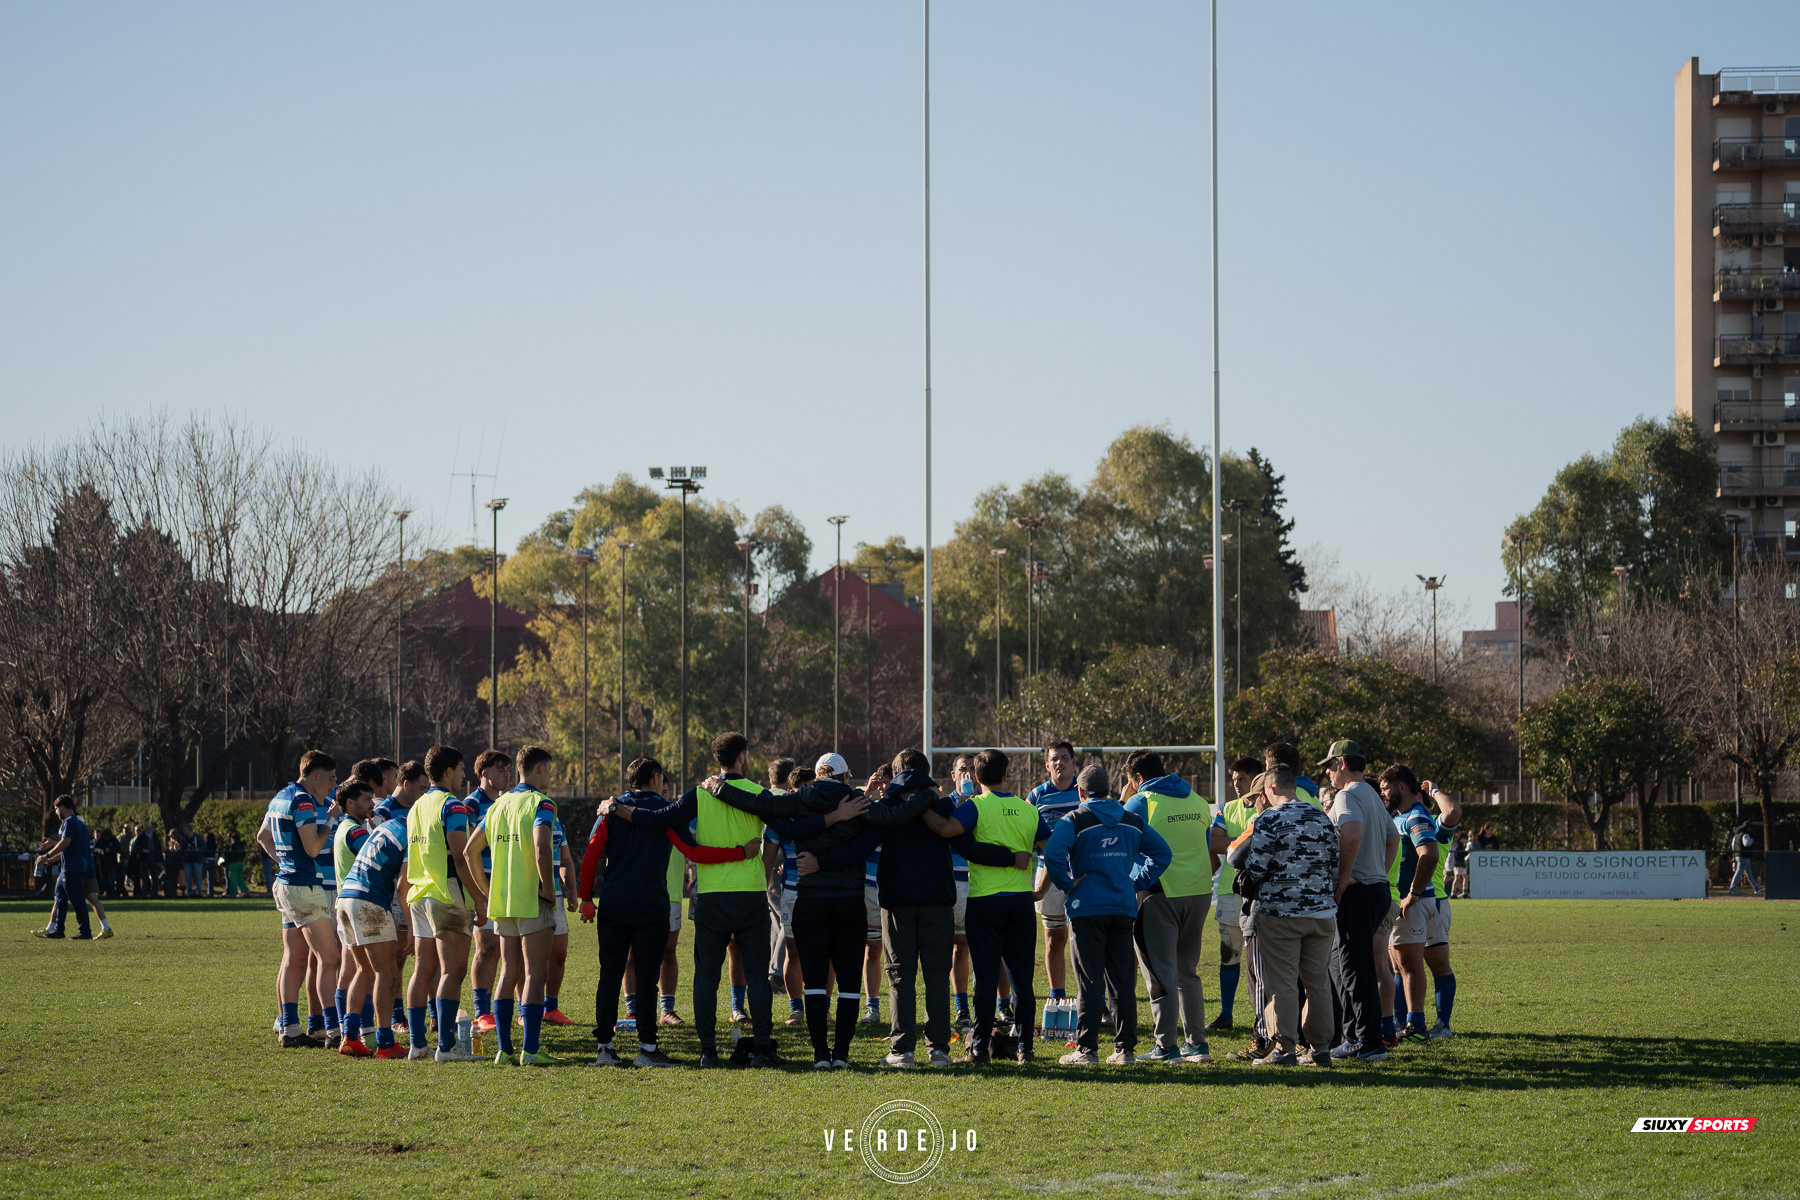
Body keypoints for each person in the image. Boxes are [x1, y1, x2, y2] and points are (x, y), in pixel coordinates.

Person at [613, 734, 858, 1068]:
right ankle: (759, 1049)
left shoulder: (700, 793)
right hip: (750, 895)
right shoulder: (758, 794)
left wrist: (617, 807)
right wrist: (834, 818)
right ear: (742, 756)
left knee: (706, 976)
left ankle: (708, 1052)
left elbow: (658, 818)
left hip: (711, 897)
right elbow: (790, 827)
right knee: (757, 975)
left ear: (718, 760)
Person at [729, 751, 934, 1069]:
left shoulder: (801, 800)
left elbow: (764, 809)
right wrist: (930, 794)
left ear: (819, 775)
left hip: (809, 902)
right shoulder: (857, 802)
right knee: (850, 984)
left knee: (813, 981)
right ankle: (840, 1054)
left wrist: (721, 789)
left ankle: (820, 1056)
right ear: (844, 776)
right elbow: (885, 826)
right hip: (848, 902)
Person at [579, 756, 761, 1067]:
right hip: (651, 907)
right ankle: (647, 1049)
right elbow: (692, 851)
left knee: (609, 976)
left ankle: (604, 1049)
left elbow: (592, 851)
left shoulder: (610, 810)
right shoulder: (664, 813)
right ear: (655, 778)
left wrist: (585, 897)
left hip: (614, 904)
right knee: (648, 977)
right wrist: (740, 852)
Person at [803, 750, 968, 1069]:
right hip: (938, 898)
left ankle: (902, 1050)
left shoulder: (885, 807)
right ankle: (939, 1050)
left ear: (895, 775)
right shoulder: (942, 802)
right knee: (936, 974)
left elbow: (862, 844)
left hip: (897, 900)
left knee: (899, 975)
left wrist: (821, 861)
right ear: (926, 772)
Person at [1046, 762, 1172, 1066]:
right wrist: (1137, 882)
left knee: (1089, 980)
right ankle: (1124, 1050)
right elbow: (1162, 854)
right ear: (1110, 790)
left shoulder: (1074, 819)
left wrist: (1067, 884)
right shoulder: (1131, 819)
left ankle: (1087, 1050)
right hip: (1122, 907)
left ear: (1081, 790)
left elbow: (1052, 853)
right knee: (1121, 980)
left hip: (1086, 908)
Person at [933, 749, 1053, 1064]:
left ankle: (979, 1050)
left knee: (985, 978)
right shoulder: (1028, 810)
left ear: (975, 777)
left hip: (986, 901)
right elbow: (1051, 849)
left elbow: (946, 831)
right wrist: (1040, 888)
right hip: (1021, 901)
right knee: (1022, 981)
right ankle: (1025, 1049)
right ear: (1005, 774)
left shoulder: (975, 807)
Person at [461, 745, 561, 1066]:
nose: (551, 776)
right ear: (541, 769)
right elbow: (541, 847)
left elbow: (468, 852)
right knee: (533, 974)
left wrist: (488, 892)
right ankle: (530, 1050)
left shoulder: (498, 805)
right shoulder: (541, 803)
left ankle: (504, 1050)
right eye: (550, 770)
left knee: (508, 971)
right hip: (532, 899)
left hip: (503, 903)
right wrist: (547, 888)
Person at [1239, 767, 1340, 1067]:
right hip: (1321, 912)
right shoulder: (1321, 816)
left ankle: (1284, 1048)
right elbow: (1336, 861)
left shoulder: (1270, 819)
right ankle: (1321, 1049)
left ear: (1269, 789)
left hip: (1281, 913)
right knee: (1318, 982)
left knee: (1282, 983)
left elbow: (1256, 866)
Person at [1121, 752, 1211, 1063]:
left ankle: (1165, 1046)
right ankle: (1197, 1045)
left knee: (1160, 973)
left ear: (1136, 779)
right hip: (1199, 893)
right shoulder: (1198, 800)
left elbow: (1124, 846)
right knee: (1188, 971)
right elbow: (1207, 843)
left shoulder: (1140, 802)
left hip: (1158, 893)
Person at [1316, 739, 1398, 1064]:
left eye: (1329, 765)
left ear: (1341, 763)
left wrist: (1345, 878)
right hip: (1376, 888)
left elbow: (1350, 835)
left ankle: (1369, 1043)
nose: (1326, 772)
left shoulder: (1348, 795)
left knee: (1355, 969)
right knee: (1347, 965)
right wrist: (1377, 870)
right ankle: (1354, 1038)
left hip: (1359, 891)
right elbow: (1393, 838)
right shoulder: (1373, 796)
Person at [402, 745, 483, 1062]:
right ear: (449, 771)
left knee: (422, 969)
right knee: (453, 970)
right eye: (462, 770)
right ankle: (447, 1047)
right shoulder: (453, 807)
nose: (464, 777)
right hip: (445, 892)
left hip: (419, 895)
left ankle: (417, 1044)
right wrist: (478, 897)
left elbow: (411, 860)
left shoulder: (416, 808)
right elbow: (462, 858)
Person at [259, 751, 342, 1048]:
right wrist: (331, 818)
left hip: (286, 884)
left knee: (293, 959)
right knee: (329, 958)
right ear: (315, 775)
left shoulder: (280, 796)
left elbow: (263, 837)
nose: (333, 785)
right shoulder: (303, 800)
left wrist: (283, 863)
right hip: (305, 886)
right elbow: (312, 847)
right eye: (330, 778)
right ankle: (333, 1030)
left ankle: (290, 1028)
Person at [334, 783, 411, 1060]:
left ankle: (350, 1037)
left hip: (345, 899)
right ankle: (385, 1042)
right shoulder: (412, 832)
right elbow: (403, 885)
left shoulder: (387, 826)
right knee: (385, 973)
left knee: (363, 970)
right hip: (369, 902)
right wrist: (412, 928)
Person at [1379, 765, 1444, 1043]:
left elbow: (1429, 854)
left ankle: (1417, 1025)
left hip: (1414, 904)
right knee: (1399, 964)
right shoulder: (1402, 816)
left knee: (1409, 964)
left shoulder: (1415, 816)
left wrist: (1414, 894)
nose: (1383, 792)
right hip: (1408, 901)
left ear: (1401, 787)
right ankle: (1406, 1021)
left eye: (1386, 787)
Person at [1209, 755, 1263, 1034]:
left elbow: (1223, 842)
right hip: (1231, 891)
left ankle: (1262, 1015)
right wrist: (1247, 840)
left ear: (1256, 778)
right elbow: (1214, 842)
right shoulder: (1227, 808)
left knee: (1261, 957)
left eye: (1241, 778)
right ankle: (1226, 1014)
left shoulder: (1267, 806)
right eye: (1233, 779)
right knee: (1229, 953)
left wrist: (1232, 842)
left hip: (1259, 893)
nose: (1236, 784)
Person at [464, 749, 515, 1037]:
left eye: (509, 769)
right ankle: (481, 1012)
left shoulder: (508, 802)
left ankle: (514, 1011)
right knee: (487, 948)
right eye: (501, 769)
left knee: (509, 950)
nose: (507, 775)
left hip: (508, 885)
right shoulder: (470, 805)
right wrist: (478, 892)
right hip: (482, 885)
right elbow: (468, 850)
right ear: (485, 774)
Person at [1027, 742, 1082, 1008]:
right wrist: (1047, 845)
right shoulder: (1037, 796)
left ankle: (1095, 1001)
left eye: (1064, 758)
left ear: (1074, 762)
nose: (1059, 762)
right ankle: (1058, 999)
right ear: (1047, 765)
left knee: (1085, 940)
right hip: (1048, 877)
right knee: (1054, 940)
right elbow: (1025, 834)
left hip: (1084, 877)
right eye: (1054, 759)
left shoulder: (1084, 794)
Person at [33, 795, 97, 940]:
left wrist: (47, 855)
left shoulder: (70, 822)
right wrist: (54, 857)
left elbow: (65, 843)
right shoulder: (79, 823)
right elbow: (69, 848)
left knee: (78, 900)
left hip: (72, 868)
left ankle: (85, 932)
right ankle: (58, 929)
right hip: (68, 867)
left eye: (56, 809)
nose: (56, 813)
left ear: (62, 807)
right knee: (59, 897)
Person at [1728, 821, 1764, 894]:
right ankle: (1732, 888)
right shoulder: (1745, 834)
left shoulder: (1736, 834)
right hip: (1744, 856)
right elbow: (1746, 844)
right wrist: (1752, 840)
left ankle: (1756, 887)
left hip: (1738, 855)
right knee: (1739, 872)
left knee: (1749, 873)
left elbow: (1733, 845)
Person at [222, 831, 248, 897]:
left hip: (233, 864)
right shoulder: (241, 845)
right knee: (239, 877)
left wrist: (226, 862)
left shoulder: (233, 846)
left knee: (233, 878)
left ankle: (233, 893)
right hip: (240, 863)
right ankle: (245, 889)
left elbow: (230, 855)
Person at [1446, 830, 1470, 899]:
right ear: (1462, 838)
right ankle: (1454, 892)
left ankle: (1463, 891)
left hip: (1460, 864)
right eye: (1465, 839)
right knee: (1457, 878)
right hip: (1458, 864)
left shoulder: (1460, 845)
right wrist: (1466, 852)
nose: (1465, 840)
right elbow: (1460, 854)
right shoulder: (1459, 845)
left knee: (1464, 877)